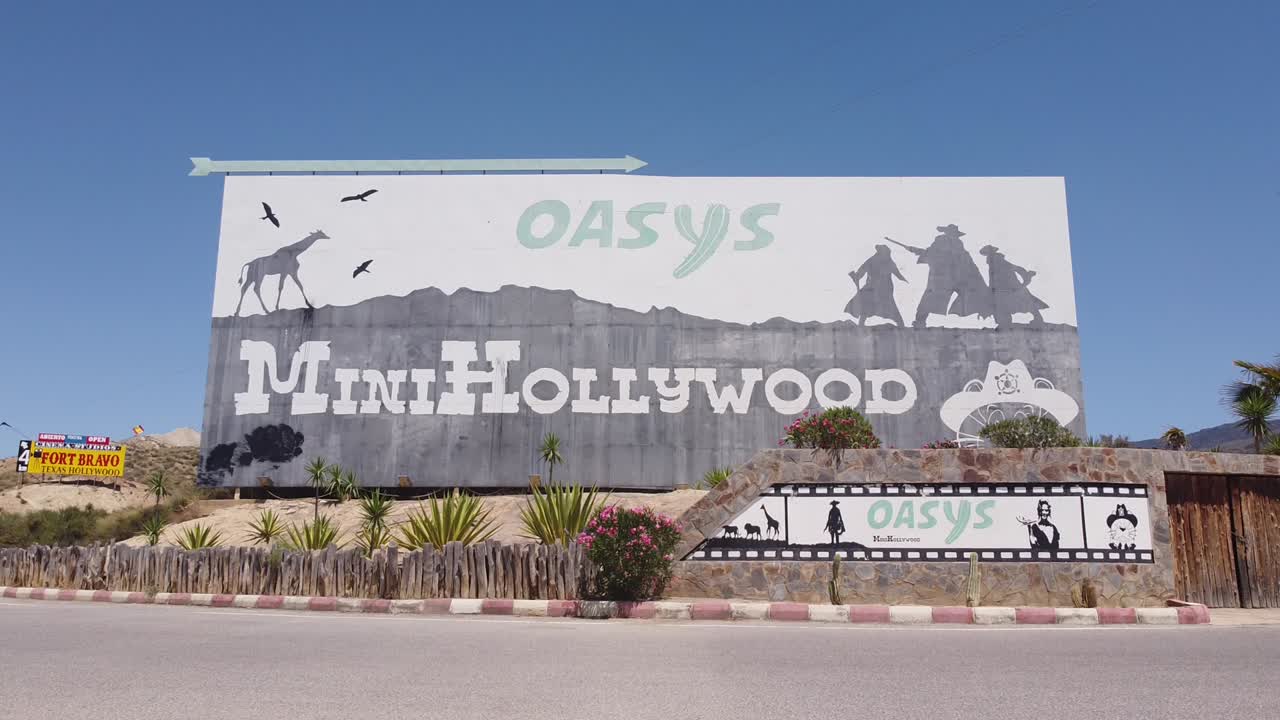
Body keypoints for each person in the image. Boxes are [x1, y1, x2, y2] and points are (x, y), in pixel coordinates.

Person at [886, 224, 992, 328]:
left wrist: (921, 252)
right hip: (942, 278)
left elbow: (965, 261)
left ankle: (992, 314)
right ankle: (920, 322)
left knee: (971, 295)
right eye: (952, 233)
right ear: (947, 233)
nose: (953, 236)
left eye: (954, 234)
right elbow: (933, 253)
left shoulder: (958, 245)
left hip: (956, 278)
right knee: (929, 299)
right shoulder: (941, 241)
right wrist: (918, 251)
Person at [979, 245, 1048, 327]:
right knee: (1004, 305)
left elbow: (1016, 268)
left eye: (988, 254)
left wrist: (1026, 275)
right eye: (986, 254)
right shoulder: (994, 262)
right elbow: (993, 278)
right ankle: (1005, 322)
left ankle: (1037, 319)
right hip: (1004, 288)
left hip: (1010, 287)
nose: (987, 257)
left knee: (1025, 303)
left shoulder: (998, 261)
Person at [844, 244, 907, 326]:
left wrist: (905, 280)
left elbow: (898, 274)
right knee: (866, 306)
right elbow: (861, 271)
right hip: (872, 288)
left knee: (890, 308)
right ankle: (861, 324)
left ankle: (900, 324)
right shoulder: (873, 260)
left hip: (884, 290)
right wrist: (856, 277)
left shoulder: (888, 262)